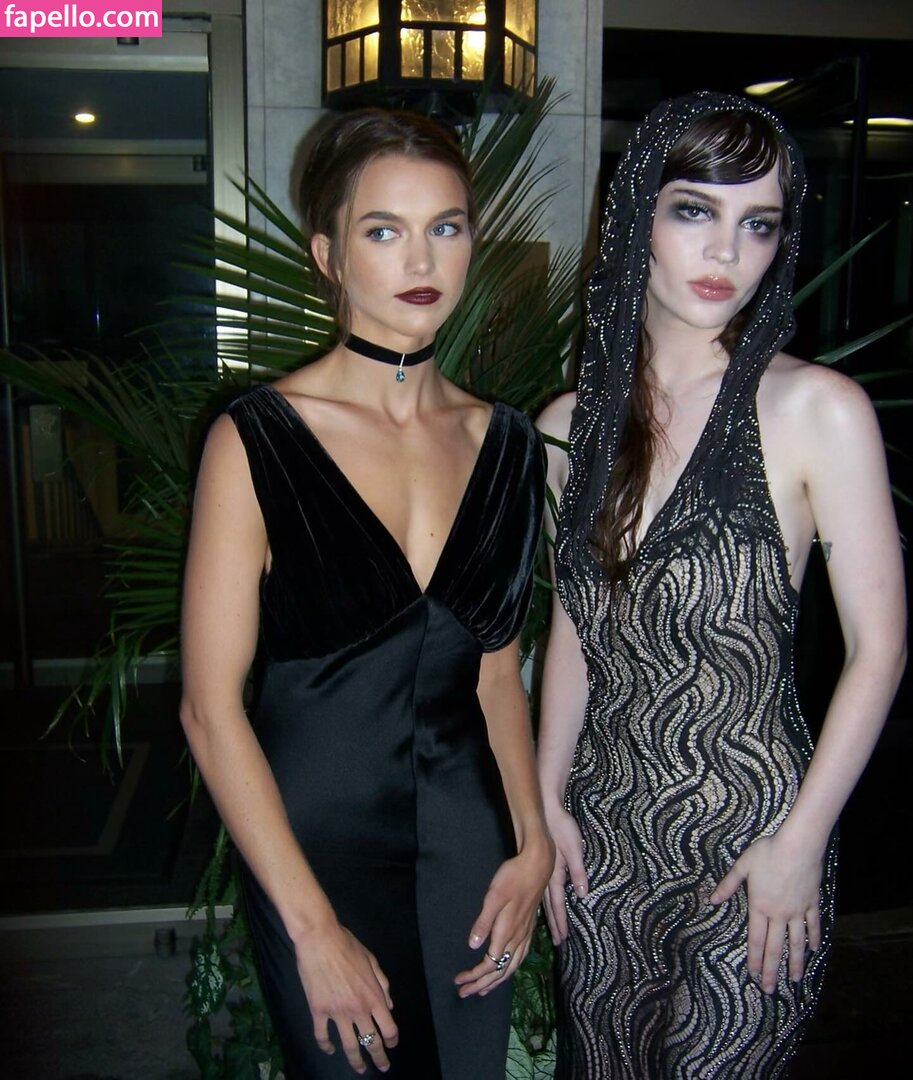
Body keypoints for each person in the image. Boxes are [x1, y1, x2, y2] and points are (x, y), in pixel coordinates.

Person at [537, 91, 906, 1078]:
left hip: (754, 839)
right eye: (693, 209)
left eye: (759, 224)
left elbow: (878, 652)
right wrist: (545, 796)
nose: (724, 251)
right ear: (636, 216)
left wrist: (801, 843)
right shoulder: (566, 425)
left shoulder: (816, 410)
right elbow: (576, 628)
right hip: (604, 833)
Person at [180, 108, 553, 1079]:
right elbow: (210, 710)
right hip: (315, 855)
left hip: (470, 840)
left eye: (446, 226)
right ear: (329, 255)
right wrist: (310, 929)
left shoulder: (507, 444)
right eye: (383, 230)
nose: (421, 258)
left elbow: (496, 677)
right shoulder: (256, 438)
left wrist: (532, 841)